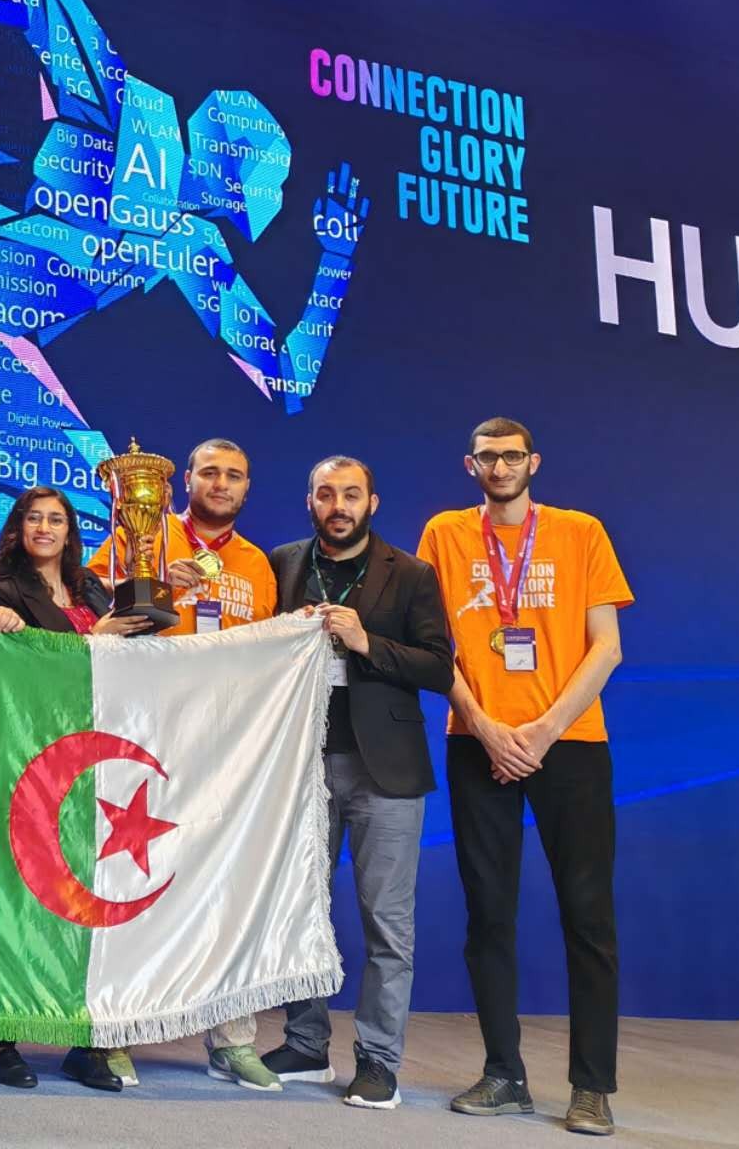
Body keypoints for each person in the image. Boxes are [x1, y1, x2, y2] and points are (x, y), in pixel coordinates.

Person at [420, 418, 630, 1137]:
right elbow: (434, 647)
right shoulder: (444, 534)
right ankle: (503, 1074)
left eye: (512, 456)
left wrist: (542, 731)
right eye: (488, 457)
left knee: (588, 916)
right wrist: (485, 726)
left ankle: (591, 1087)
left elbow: (606, 647)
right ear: (470, 465)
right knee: (488, 914)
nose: (501, 467)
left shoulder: (580, 532)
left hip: (569, 742)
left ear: (533, 462)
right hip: (478, 742)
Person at [81, 438, 282, 1093]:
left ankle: (232, 1039)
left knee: (228, 887)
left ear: (247, 488)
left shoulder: (257, 564)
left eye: (234, 475)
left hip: (226, 747)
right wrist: (163, 581)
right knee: (133, 880)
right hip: (147, 734)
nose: (221, 484)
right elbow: (91, 610)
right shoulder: (138, 533)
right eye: (210, 473)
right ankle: (114, 1033)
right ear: (185, 481)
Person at [264, 456, 452, 1113]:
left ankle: (377, 1059)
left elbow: (438, 666)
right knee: (298, 911)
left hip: (386, 771)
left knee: (386, 924)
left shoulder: (412, 573)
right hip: (301, 766)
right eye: (325, 494)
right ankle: (305, 1042)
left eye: (350, 494)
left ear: (372, 502)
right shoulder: (283, 563)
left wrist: (364, 640)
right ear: (309, 502)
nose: (337, 505)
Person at [0, 487, 155, 1090]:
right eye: (34, 517)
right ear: (18, 528)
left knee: (88, 900)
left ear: (69, 531)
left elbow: (126, 656)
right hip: (35, 755)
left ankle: (85, 1043)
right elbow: (29, 669)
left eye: (56, 519)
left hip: (95, 759)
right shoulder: (7, 593)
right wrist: (95, 637)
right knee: (21, 897)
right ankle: (0, 1040)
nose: (45, 527)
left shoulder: (92, 588)